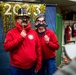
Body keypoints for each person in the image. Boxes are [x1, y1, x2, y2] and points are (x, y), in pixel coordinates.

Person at [3, 8, 42, 75]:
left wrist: (38, 64)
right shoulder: (11, 33)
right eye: (21, 18)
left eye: (26, 18)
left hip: (31, 68)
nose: (24, 20)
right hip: (16, 68)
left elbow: (38, 49)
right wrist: (20, 38)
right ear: (17, 20)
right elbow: (6, 47)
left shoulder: (33, 33)